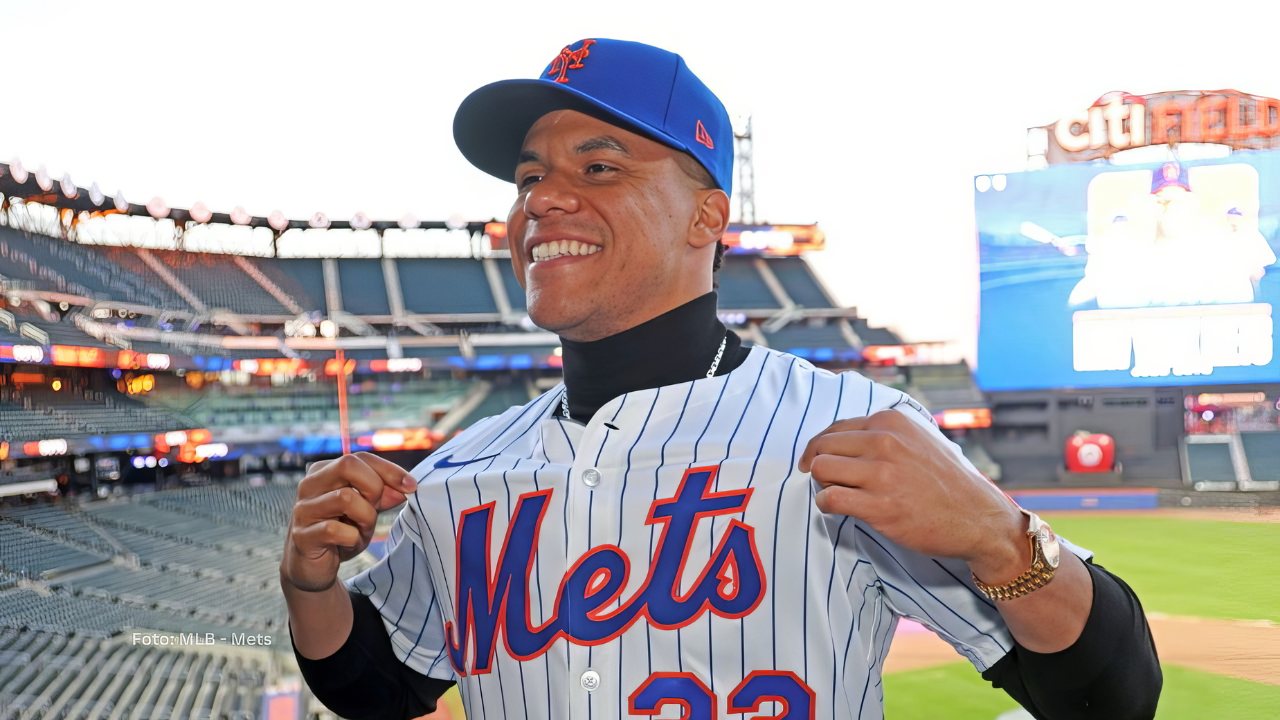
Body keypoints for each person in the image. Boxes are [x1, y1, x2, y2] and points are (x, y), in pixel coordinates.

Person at [282, 38, 1162, 719]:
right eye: (528, 177)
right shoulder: (457, 473)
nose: (542, 200)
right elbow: (382, 686)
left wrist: (1005, 542)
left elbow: (1111, 697)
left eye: (599, 167)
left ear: (710, 215)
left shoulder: (848, 433)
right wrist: (310, 586)